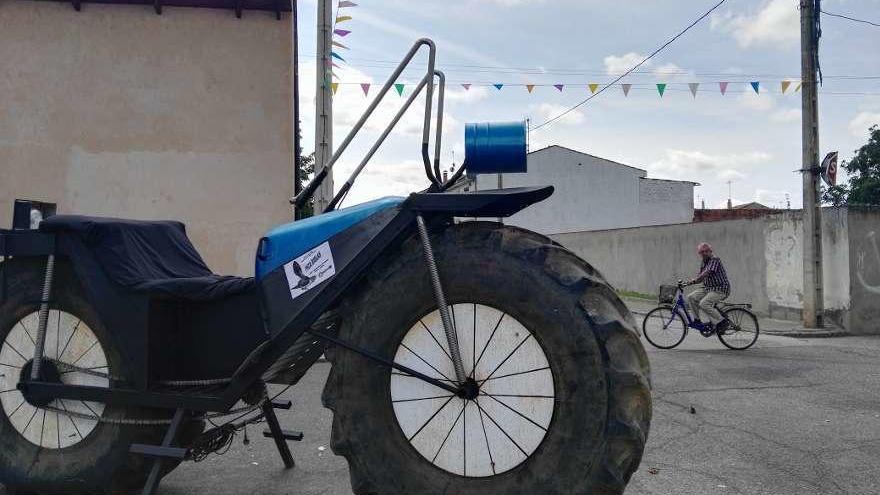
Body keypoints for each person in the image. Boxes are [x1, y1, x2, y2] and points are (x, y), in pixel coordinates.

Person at [686, 242, 731, 333]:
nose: (704, 253)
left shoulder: (715, 259)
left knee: (704, 303)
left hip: (720, 289)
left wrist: (695, 280)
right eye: (701, 252)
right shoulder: (703, 262)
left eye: (706, 251)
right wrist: (689, 282)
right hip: (707, 288)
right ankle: (697, 320)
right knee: (691, 297)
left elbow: (707, 273)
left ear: (710, 251)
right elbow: (700, 277)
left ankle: (722, 322)